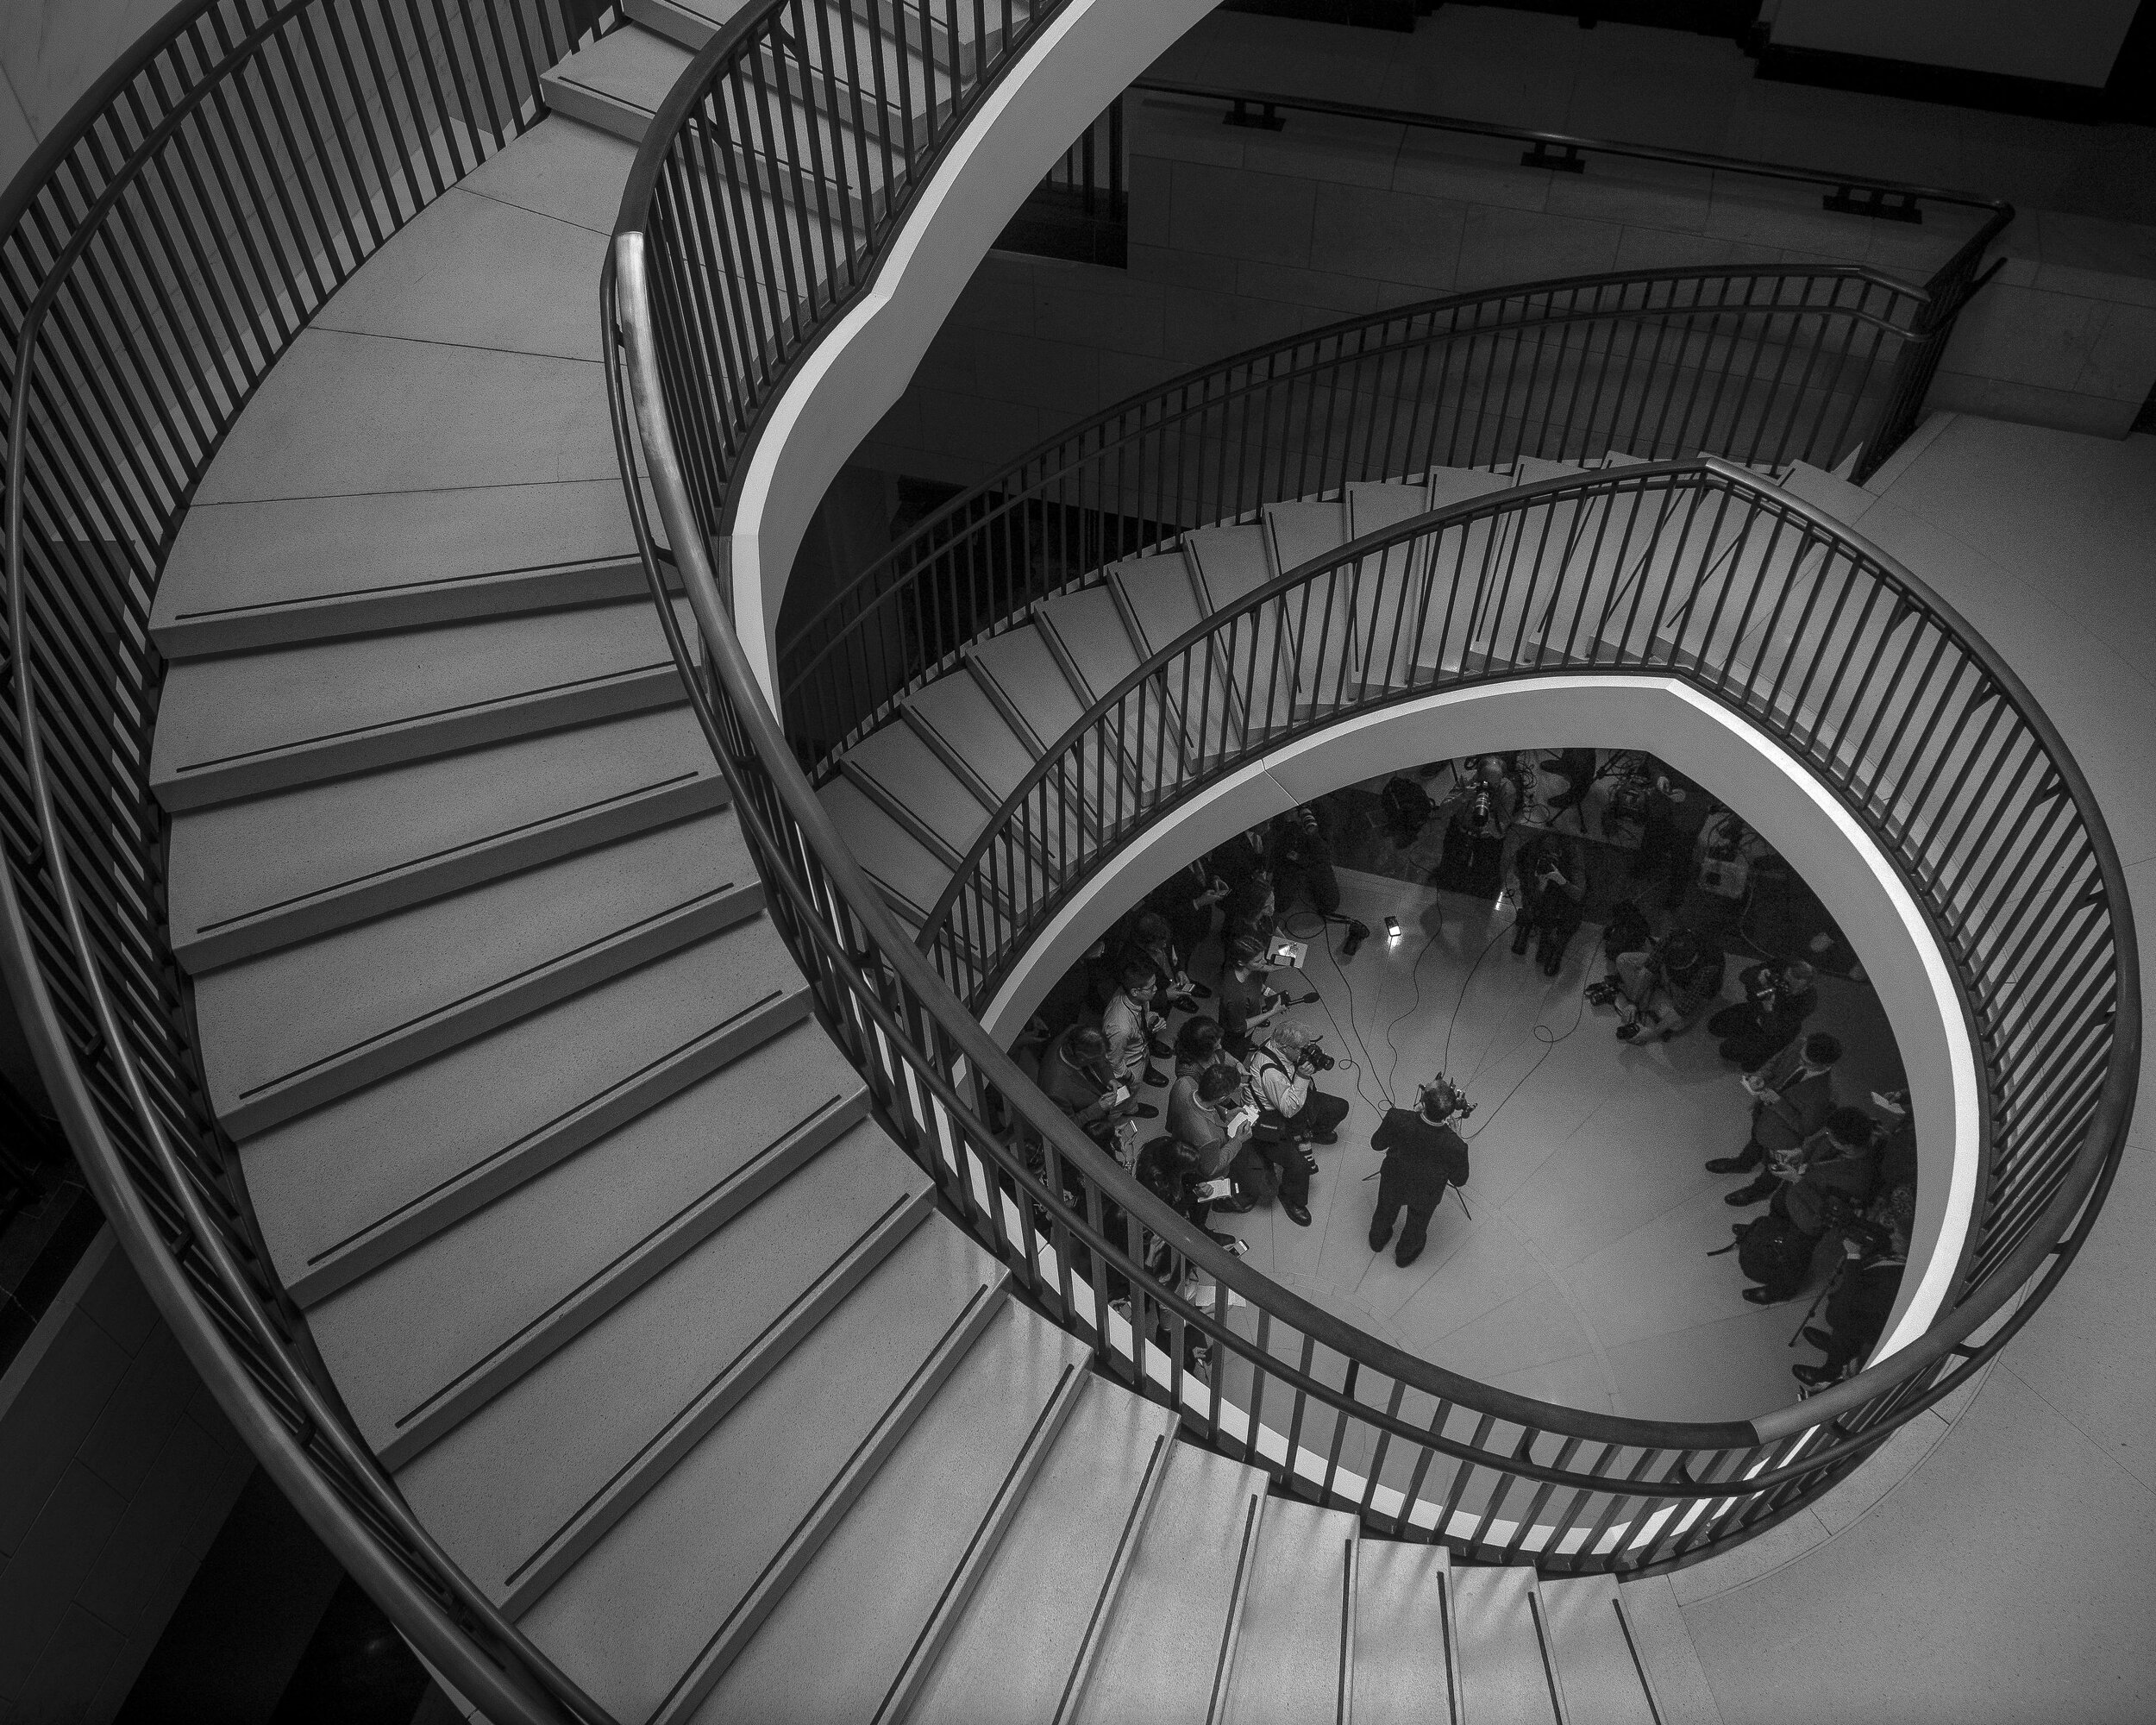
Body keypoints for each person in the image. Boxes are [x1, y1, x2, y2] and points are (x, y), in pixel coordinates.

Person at [1793, 1188, 1913, 1389]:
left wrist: (1853, 1256)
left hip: (1869, 1321)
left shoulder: (1895, 1283)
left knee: (1844, 1325)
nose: (1892, 1238)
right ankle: (1835, 1346)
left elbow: (1840, 1311)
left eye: (1898, 1238)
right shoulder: (1897, 1253)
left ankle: (1830, 1371)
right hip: (1863, 1304)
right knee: (1844, 1330)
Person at [1708, 1031, 1844, 1202]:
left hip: (1783, 1137)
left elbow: (1807, 1128)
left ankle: (1760, 1191)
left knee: (1775, 1169)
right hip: (1763, 1113)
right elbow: (1775, 1062)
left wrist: (1778, 1102)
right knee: (1756, 1138)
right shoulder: (1800, 1046)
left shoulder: (1825, 1094)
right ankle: (1743, 1164)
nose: (1799, 1061)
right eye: (1801, 1055)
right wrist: (1760, 1076)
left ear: (1825, 1065)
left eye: (1805, 1063)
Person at [1368, 1076, 1473, 1268]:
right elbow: (1459, 1180)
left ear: (1422, 1102)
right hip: (1426, 1193)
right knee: (1417, 1224)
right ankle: (1404, 1255)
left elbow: (1376, 1144)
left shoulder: (1396, 1117)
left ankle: (1377, 1240)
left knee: (1384, 1211)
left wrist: (1411, 1117)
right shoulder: (1456, 1146)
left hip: (1393, 1181)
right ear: (1450, 1112)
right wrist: (1456, 1137)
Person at [1246, 1020, 1351, 1208]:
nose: (1306, 1051)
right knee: (1299, 1166)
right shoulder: (1270, 1072)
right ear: (1285, 1047)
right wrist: (1303, 1076)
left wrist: (1312, 1064)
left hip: (1295, 1097)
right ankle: (1292, 1200)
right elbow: (1288, 1109)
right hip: (1273, 1119)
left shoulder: (1285, 1051)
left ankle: (1314, 1132)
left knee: (1340, 1107)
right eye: (1302, 1048)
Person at [1595, 925, 1724, 1042]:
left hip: (1687, 990)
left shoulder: (1709, 967)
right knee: (1623, 960)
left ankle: (1651, 996)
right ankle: (1650, 998)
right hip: (1664, 974)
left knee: (1676, 1024)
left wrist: (1652, 1034)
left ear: (1691, 961)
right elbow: (1649, 968)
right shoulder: (1672, 935)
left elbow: (1682, 1009)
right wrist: (1632, 1003)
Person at [1777, 1107, 1879, 1237]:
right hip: (1796, 1187)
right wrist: (1801, 1152)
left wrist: (1797, 1181)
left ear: (1848, 1146)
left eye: (1830, 1137)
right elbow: (1821, 1142)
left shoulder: (1856, 1180)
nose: (1827, 1136)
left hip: (1806, 1212)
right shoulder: (1847, 1137)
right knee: (1778, 1206)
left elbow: (1828, 1211)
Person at [1038, 1024, 1156, 1129]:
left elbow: (1100, 1057)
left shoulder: (1076, 1032)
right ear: (1082, 1058)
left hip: (1095, 1088)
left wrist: (1110, 1078)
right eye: (1095, 1059)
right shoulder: (1055, 1091)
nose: (1102, 1060)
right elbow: (1068, 1125)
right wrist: (1100, 1108)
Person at [1708, 958, 1818, 1070]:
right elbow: (1744, 976)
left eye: (1790, 985)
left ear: (1805, 986)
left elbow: (1772, 1028)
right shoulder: (1781, 965)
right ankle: (1745, 1035)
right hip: (1757, 1009)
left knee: (1730, 1052)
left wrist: (1768, 1008)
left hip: (1775, 1028)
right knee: (1715, 1026)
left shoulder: (1807, 1002)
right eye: (1785, 979)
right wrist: (1758, 978)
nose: (1784, 985)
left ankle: (1758, 1052)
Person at [1435, 756, 1517, 897]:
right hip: (1461, 829)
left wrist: (1488, 820)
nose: (1487, 788)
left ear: (1501, 779)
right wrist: (1462, 797)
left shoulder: (1507, 789)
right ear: (1477, 775)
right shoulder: (1467, 779)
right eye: (1484, 782)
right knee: (1449, 880)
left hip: (1487, 837)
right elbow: (1442, 812)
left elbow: (1501, 830)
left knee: (1483, 884)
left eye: (1493, 785)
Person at [1508, 832, 1587, 975]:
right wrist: (1539, 885)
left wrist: (1561, 880)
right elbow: (1523, 880)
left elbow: (1578, 895)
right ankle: (1528, 926)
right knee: (1531, 905)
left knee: (1565, 921)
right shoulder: (1529, 855)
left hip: (1564, 899)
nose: (1548, 859)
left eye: (1553, 855)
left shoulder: (1573, 859)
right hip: (1542, 899)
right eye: (1545, 855)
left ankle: (1557, 944)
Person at [1100, 960, 1169, 1092]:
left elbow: (1144, 1015)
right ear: (1135, 991)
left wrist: (1152, 1019)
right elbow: (1113, 1061)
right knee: (1126, 1096)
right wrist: (1130, 1077)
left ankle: (1133, 1108)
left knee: (1133, 1093)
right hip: (1130, 1063)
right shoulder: (1121, 1028)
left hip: (1141, 1052)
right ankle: (1129, 1110)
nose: (1156, 989)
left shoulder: (1137, 999)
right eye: (1151, 987)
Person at [1269, 802, 1341, 918]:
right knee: (1280, 905)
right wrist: (1286, 821)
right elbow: (1272, 842)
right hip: (1289, 858)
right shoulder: (1283, 805)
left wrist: (1313, 833)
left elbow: (1325, 852)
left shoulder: (1324, 809)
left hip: (1314, 858)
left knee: (1330, 904)